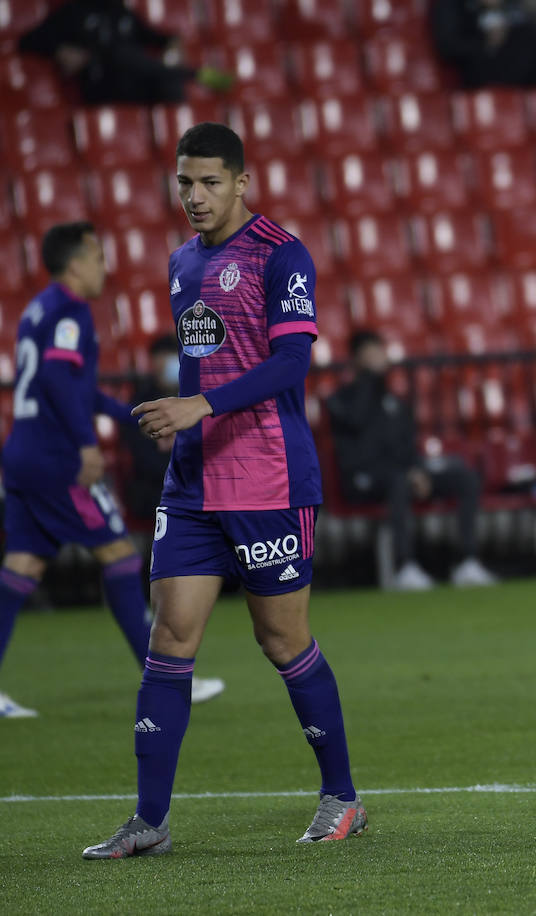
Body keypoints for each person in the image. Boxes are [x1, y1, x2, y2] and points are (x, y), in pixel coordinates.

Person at [83, 123, 365, 859]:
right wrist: (183, 421)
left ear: (242, 181)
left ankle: (342, 797)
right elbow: (203, 358)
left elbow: (292, 362)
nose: (195, 197)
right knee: (169, 640)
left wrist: (197, 408)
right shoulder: (181, 263)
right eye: (184, 183)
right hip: (193, 483)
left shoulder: (281, 253)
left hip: (267, 478)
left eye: (210, 182)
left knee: (281, 638)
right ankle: (149, 820)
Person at [0, 223, 223, 720]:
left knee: (23, 566)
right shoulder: (70, 311)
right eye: (98, 256)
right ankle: (166, 678)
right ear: (75, 263)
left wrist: (138, 416)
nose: (104, 266)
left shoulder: (37, 308)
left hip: (23, 453)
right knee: (120, 556)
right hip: (58, 460)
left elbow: (73, 389)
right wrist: (85, 445)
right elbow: (59, 381)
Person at [324, 329, 496, 591]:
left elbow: (406, 447)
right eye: (370, 355)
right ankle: (405, 567)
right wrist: (369, 378)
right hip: (362, 481)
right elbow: (358, 425)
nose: (378, 360)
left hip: (402, 476)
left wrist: (418, 471)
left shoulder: (395, 402)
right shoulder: (340, 400)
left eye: (379, 353)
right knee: (398, 481)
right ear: (357, 360)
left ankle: (468, 561)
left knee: (465, 478)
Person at [18, 0, 232, 106]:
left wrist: (173, 42)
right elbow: (28, 41)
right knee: (119, 55)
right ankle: (194, 74)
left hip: (135, 81)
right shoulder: (73, 12)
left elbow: (155, 37)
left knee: (167, 83)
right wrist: (60, 49)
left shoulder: (120, 11)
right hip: (100, 84)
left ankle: (180, 147)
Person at [120, 335, 180, 524]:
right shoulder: (142, 402)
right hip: (156, 488)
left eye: (170, 357)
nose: (165, 365)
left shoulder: (197, 399)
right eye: (160, 358)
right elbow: (143, 456)